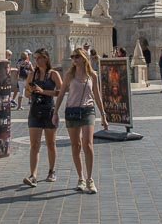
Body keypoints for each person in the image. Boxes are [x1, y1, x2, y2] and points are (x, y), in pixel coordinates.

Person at [53, 48, 108, 194]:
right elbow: (60, 94)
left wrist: (103, 114)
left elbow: (97, 95)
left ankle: (90, 179)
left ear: (84, 58)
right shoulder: (69, 75)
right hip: (71, 111)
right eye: (73, 57)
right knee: (75, 145)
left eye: (77, 56)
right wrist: (55, 112)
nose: (74, 59)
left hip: (87, 111)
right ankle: (80, 178)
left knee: (88, 144)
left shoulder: (92, 75)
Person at [23, 49, 62, 187]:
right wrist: (30, 90)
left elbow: (61, 92)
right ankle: (33, 175)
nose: (37, 60)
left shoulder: (54, 74)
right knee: (34, 144)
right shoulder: (32, 75)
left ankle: (52, 171)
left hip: (49, 111)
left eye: (40, 58)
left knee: (51, 144)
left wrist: (43, 91)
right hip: (35, 111)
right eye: (36, 58)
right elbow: (27, 94)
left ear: (46, 58)